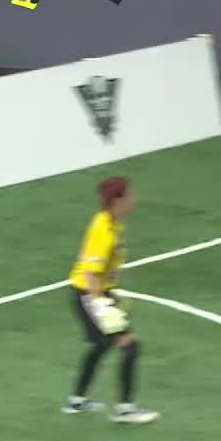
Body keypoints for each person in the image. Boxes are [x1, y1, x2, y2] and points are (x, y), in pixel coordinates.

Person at [63, 177, 159, 424]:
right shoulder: (103, 231)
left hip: (93, 293)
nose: (134, 199)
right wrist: (102, 304)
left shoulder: (112, 224)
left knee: (102, 345)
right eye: (130, 195)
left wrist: (111, 292)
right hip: (89, 294)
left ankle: (76, 401)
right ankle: (125, 410)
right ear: (118, 200)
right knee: (129, 345)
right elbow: (90, 273)